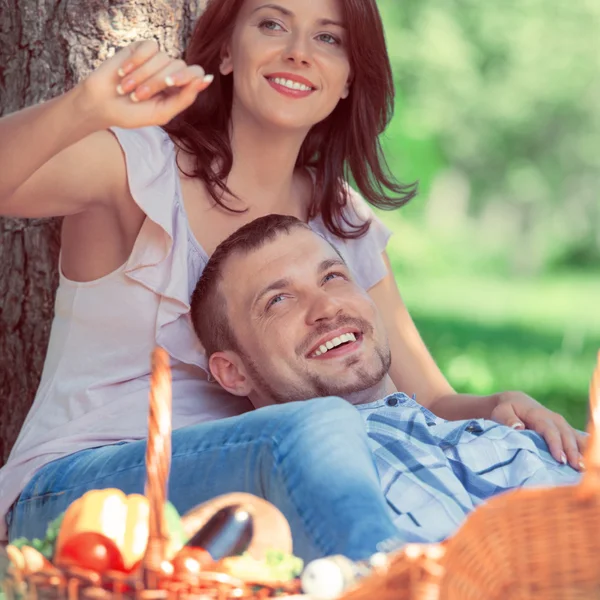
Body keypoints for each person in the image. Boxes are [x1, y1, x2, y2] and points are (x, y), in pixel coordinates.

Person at [0, 0, 584, 553]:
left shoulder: (340, 218)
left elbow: (427, 397)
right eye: (273, 25)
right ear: (226, 53)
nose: (299, 52)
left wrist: (500, 405)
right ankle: (387, 578)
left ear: (350, 77)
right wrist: (82, 110)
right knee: (318, 426)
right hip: (90, 494)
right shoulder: (139, 166)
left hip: (258, 494)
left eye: (328, 37)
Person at [189, 214, 582, 543]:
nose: (327, 306)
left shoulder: (500, 437)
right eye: (278, 300)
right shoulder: (307, 493)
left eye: (333, 277)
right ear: (233, 372)